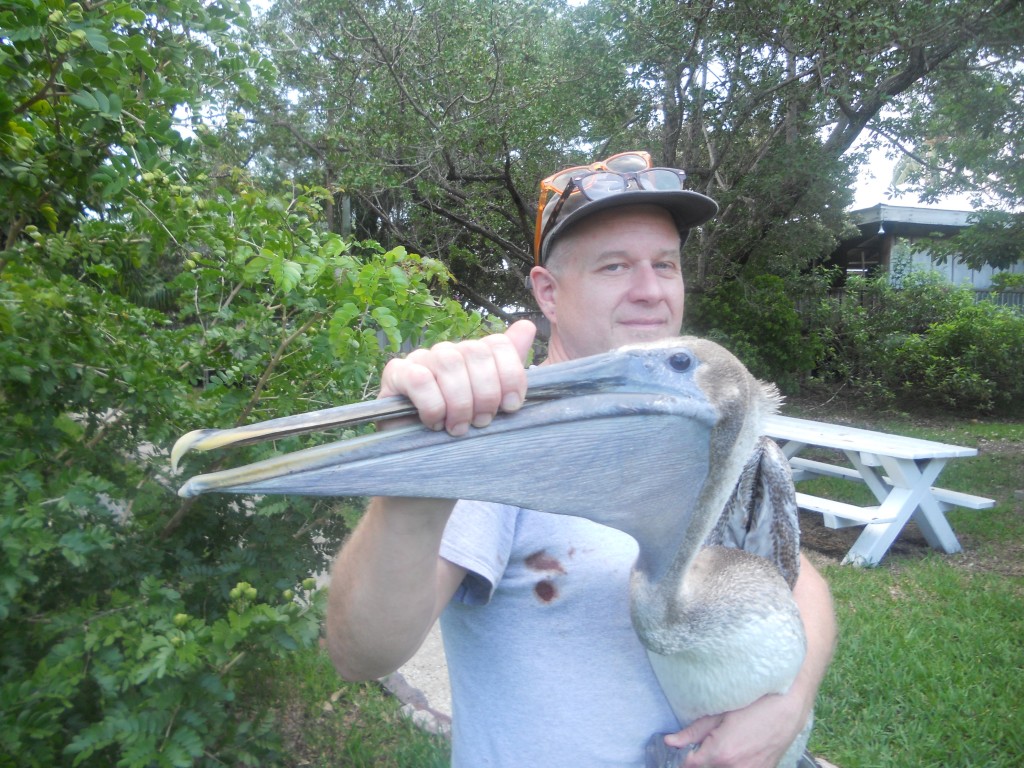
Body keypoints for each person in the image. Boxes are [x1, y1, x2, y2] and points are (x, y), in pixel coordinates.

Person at [326, 150, 837, 767]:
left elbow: (798, 583)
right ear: (547, 292)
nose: (650, 291)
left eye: (665, 265)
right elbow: (361, 654)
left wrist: (790, 706)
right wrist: (415, 477)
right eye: (615, 266)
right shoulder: (498, 434)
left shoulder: (700, 437)